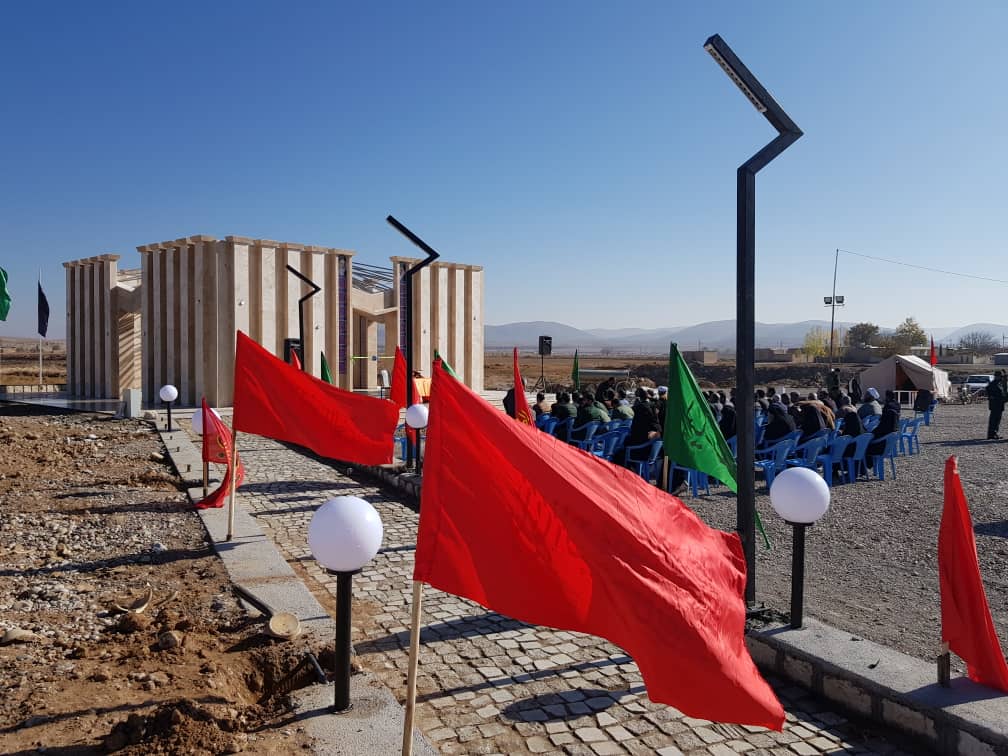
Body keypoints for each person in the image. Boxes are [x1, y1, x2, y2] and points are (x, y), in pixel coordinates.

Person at [866, 390, 901, 467]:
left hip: (881, 444)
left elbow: (880, 428)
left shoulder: (887, 407)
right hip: (890, 438)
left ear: (887, 397)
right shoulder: (897, 404)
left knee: (866, 444)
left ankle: (867, 465)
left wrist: (872, 433)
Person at [987, 371, 1007, 440]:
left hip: (998, 405)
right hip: (996, 405)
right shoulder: (994, 384)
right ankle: (992, 434)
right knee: (994, 420)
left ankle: (993, 433)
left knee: (996, 420)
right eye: (1001, 377)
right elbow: (999, 394)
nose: (1001, 378)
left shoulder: (998, 383)